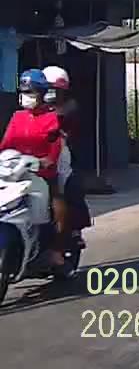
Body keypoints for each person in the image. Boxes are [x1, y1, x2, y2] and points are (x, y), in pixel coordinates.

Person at [0, 69, 66, 265]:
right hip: (15, 172)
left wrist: (45, 161)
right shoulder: (18, 116)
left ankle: (56, 248)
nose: (26, 96)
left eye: (31, 92)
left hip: (42, 173)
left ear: (42, 94)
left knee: (57, 203)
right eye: (24, 92)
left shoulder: (53, 118)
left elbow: (54, 149)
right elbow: (6, 144)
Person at [43, 65, 91, 241]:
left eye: (56, 90)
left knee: (67, 187)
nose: (51, 94)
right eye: (48, 89)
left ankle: (74, 230)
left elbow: (72, 133)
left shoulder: (70, 107)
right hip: (34, 154)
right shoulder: (28, 110)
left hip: (59, 153)